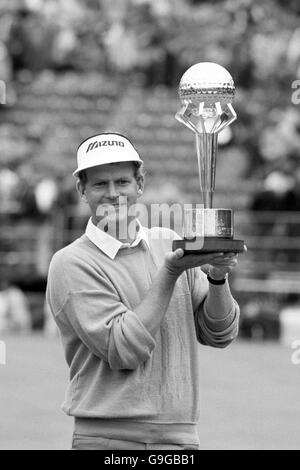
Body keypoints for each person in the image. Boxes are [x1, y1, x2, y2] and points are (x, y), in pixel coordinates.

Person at [46, 132, 241, 451]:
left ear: (139, 184)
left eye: (122, 182)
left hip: (180, 439)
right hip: (108, 439)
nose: (112, 194)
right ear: (82, 190)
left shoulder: (168, 240)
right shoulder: (71, 263)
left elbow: (219, 333)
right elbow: (124, 350)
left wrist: (218, 278)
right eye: (99, 184)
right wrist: (170, 272)